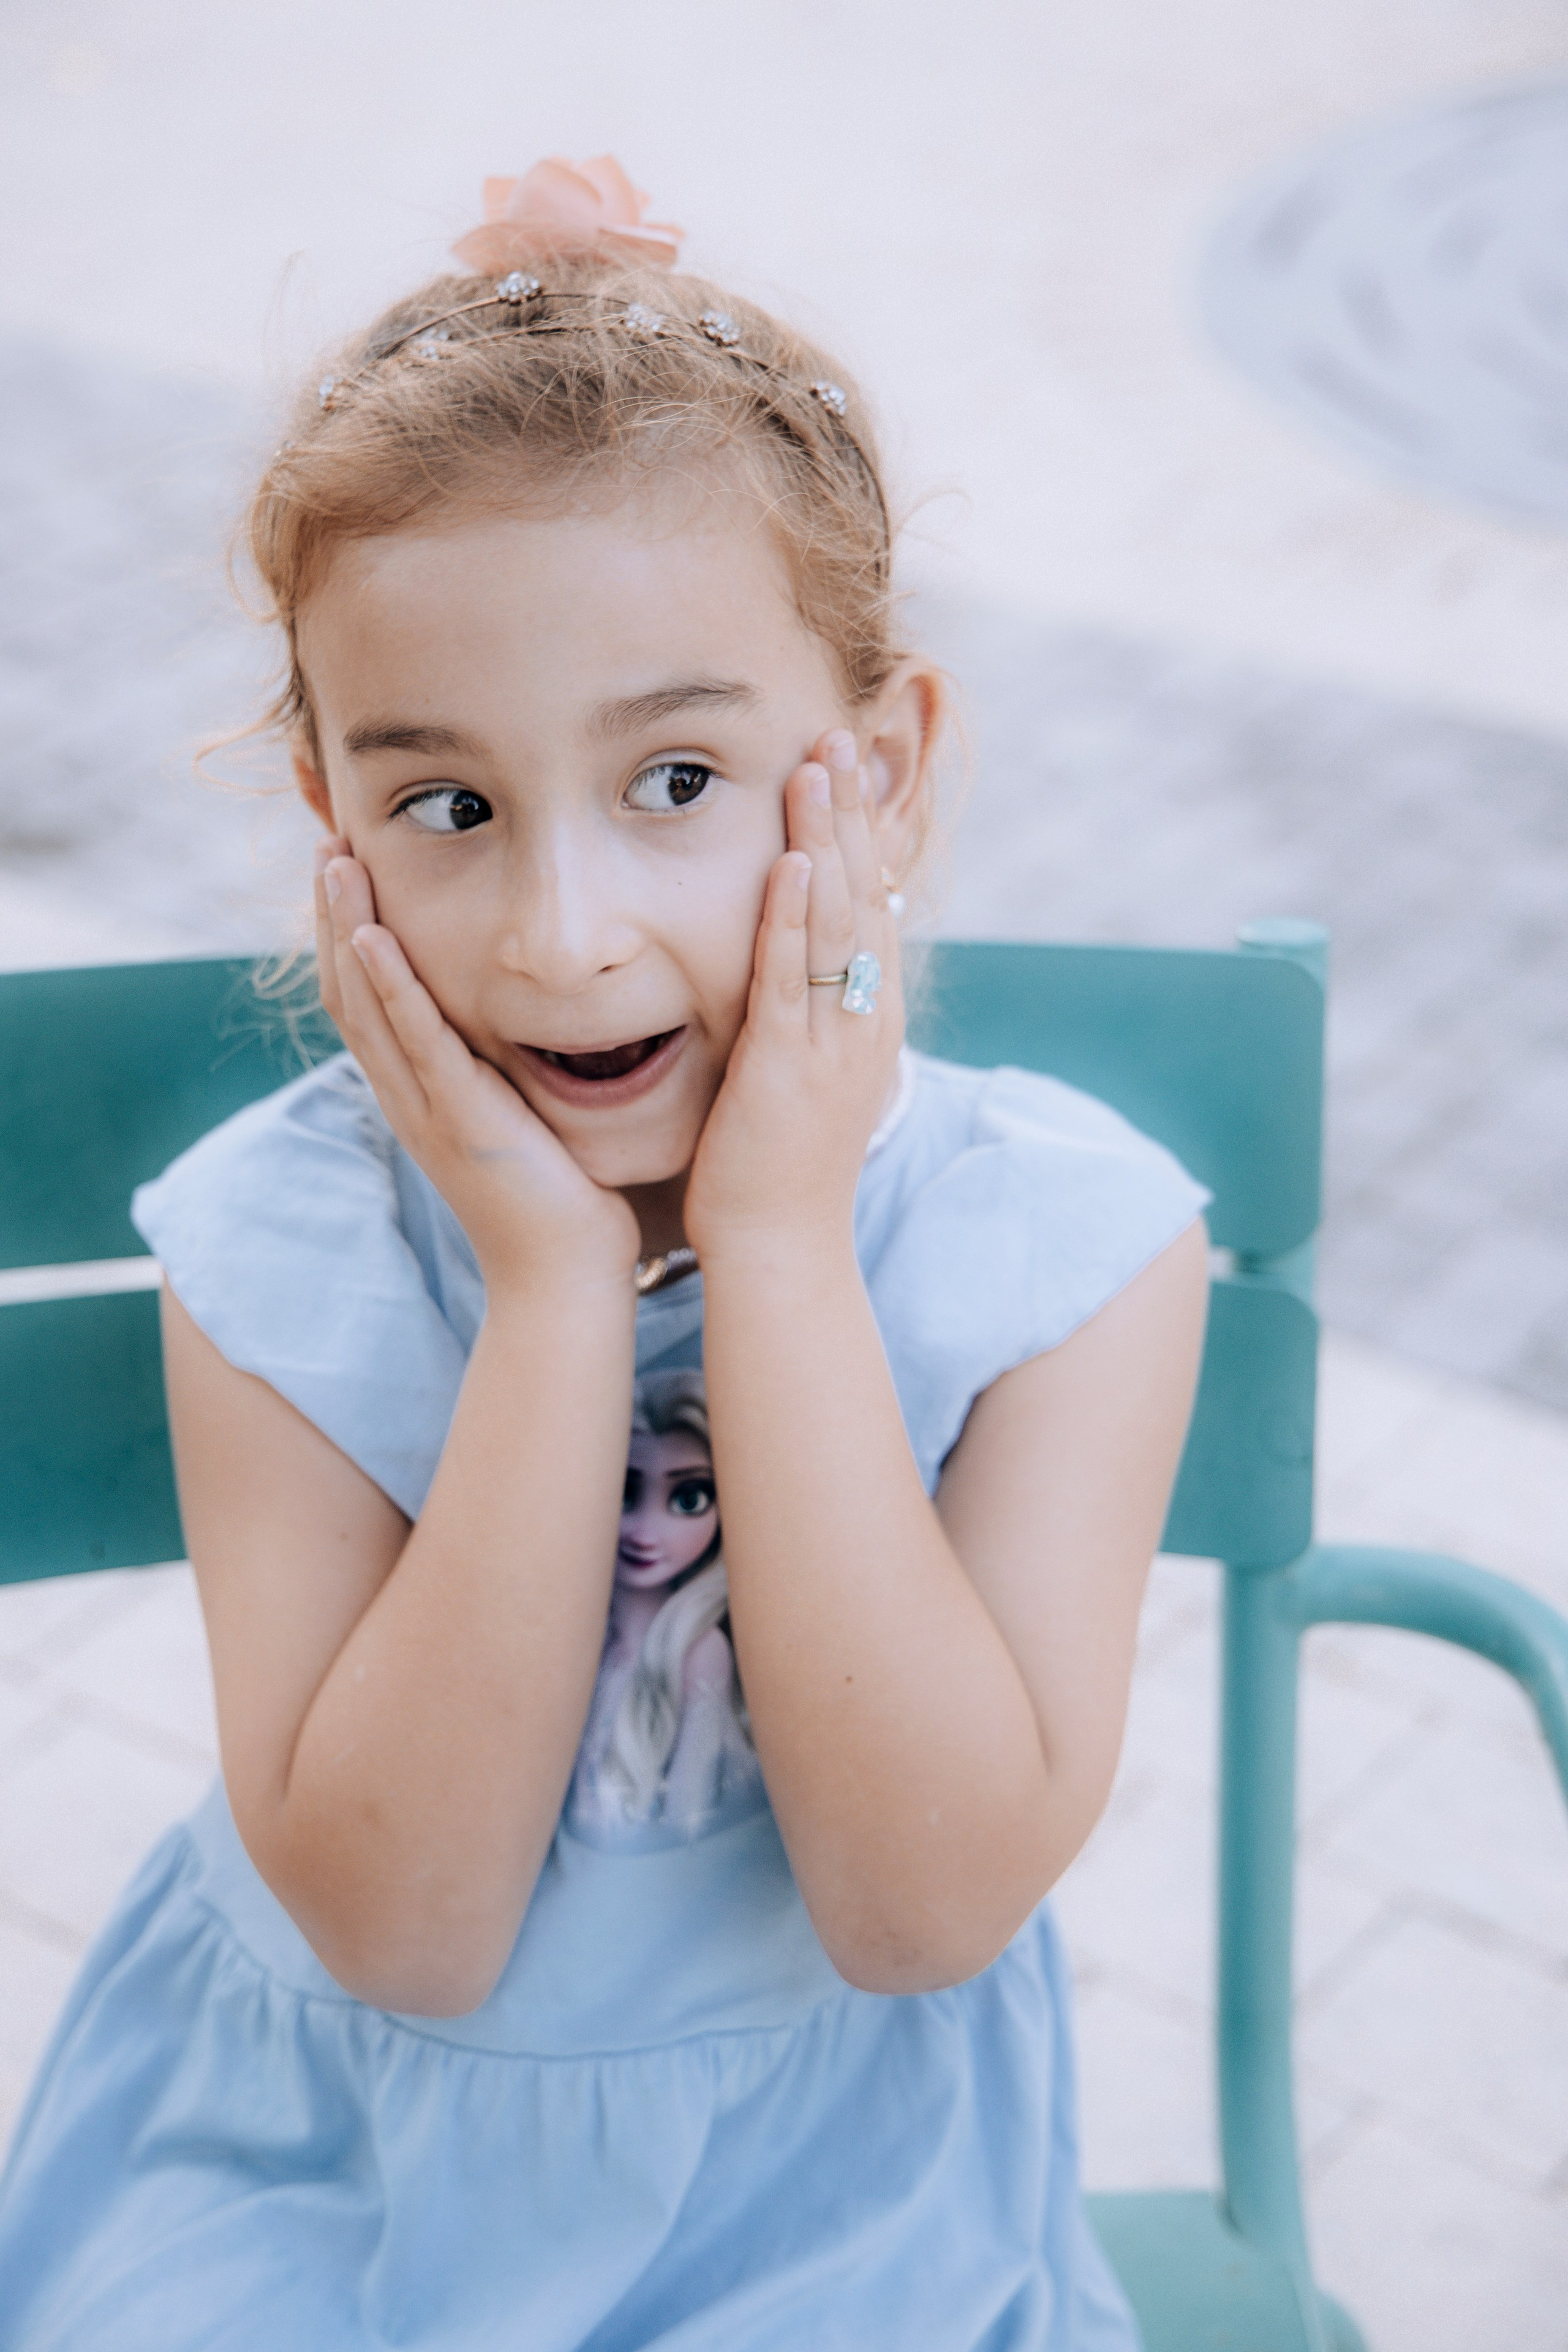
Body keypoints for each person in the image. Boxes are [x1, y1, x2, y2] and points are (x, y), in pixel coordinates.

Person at [0, 154, 1211, 2351]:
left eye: (675, 778)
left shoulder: (1072, 1256)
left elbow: (922, 1905)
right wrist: (555, 1300)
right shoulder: (289, 1253)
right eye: (446, 807)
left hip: (849, 2206)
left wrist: (776, 1248)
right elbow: (412, 1929)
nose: (562, 940)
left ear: (882, 765)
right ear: (331, 828)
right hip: (325, 2186)